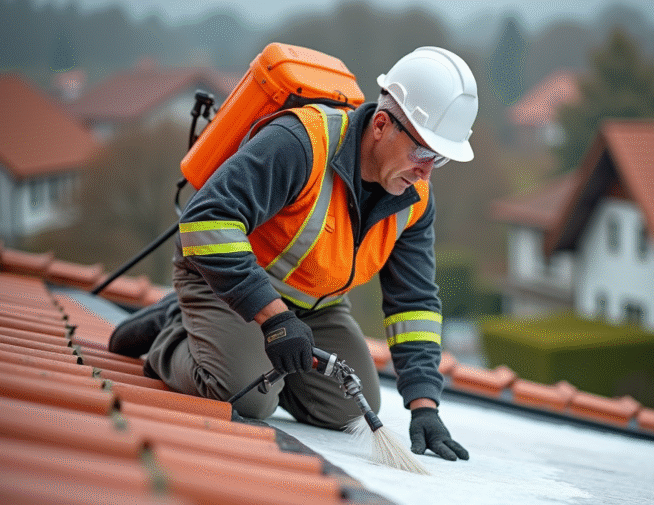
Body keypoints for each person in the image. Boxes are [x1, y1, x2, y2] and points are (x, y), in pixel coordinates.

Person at [109, 46, 477, 462]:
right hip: (225, 283)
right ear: (380, 125)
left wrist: (424, 405)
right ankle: (174, 333)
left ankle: (244, 351)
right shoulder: (301, 143)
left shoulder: (414, 199)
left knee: (350, 409)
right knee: (245, 396)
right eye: (423, 152)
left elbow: (414, 303)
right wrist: (273, 318)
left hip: (315, 306)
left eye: (439, 158)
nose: (427, 171)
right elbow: (205, 220)